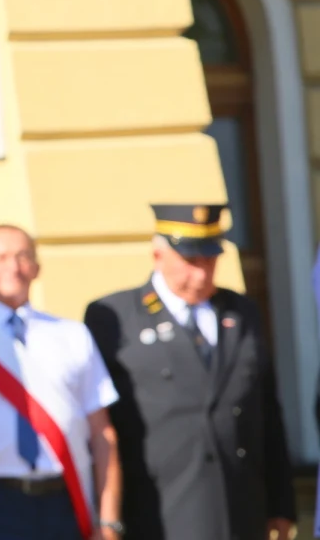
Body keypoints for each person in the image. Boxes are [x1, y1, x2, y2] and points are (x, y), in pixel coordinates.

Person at [84, 204, 296, 540]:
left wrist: (281, 503)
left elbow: (266, 411)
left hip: (240, 509)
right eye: (190, 261)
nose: (201, 274)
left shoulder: (241, 311)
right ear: (158, 255)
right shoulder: (114, 316)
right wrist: (107, 516)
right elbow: (100, 423)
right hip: (158, 511)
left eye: (210, 260)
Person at [0, 225, 123, 540]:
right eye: (0, 258)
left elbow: (102, 433)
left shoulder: (73, 336)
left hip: (65, 501)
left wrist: (109, 520)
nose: (13, 267)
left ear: (37, 267)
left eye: (23, 256)